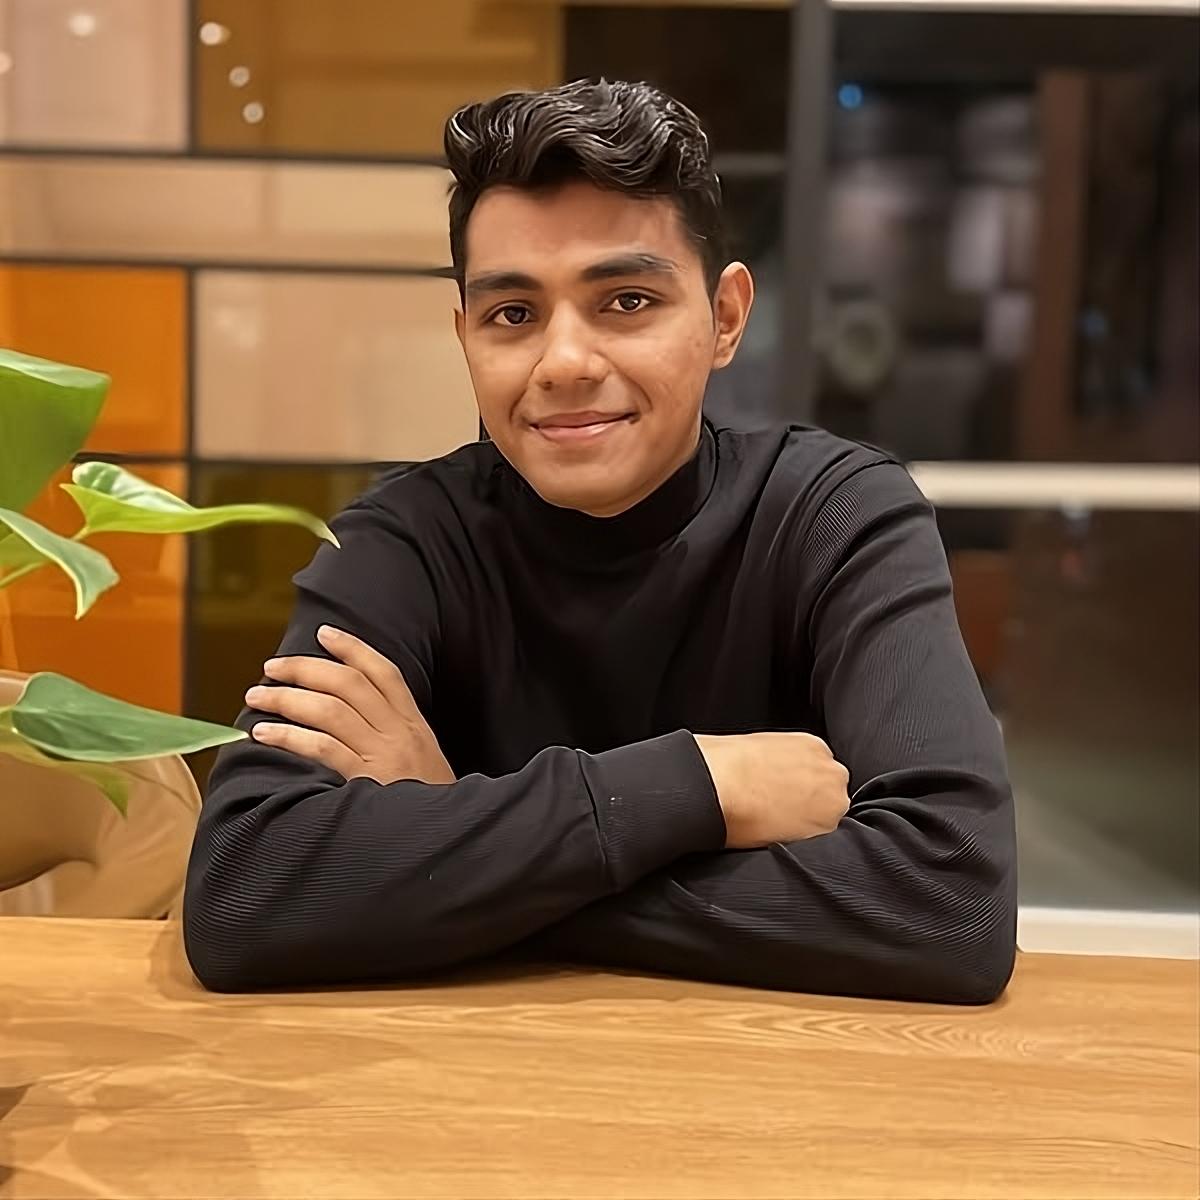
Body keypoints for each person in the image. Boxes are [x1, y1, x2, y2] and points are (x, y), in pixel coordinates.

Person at [183, 80, 1017, 1002]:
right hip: (464, 1077)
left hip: (767, 1075)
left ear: (725, 318)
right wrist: (698, 787)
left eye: (626, 300)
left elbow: (950, 904)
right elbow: (242, 893)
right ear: (465, 334)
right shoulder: (404, 541)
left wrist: (460, 840)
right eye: (513, 314)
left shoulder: (834, 516)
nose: (566, 363)